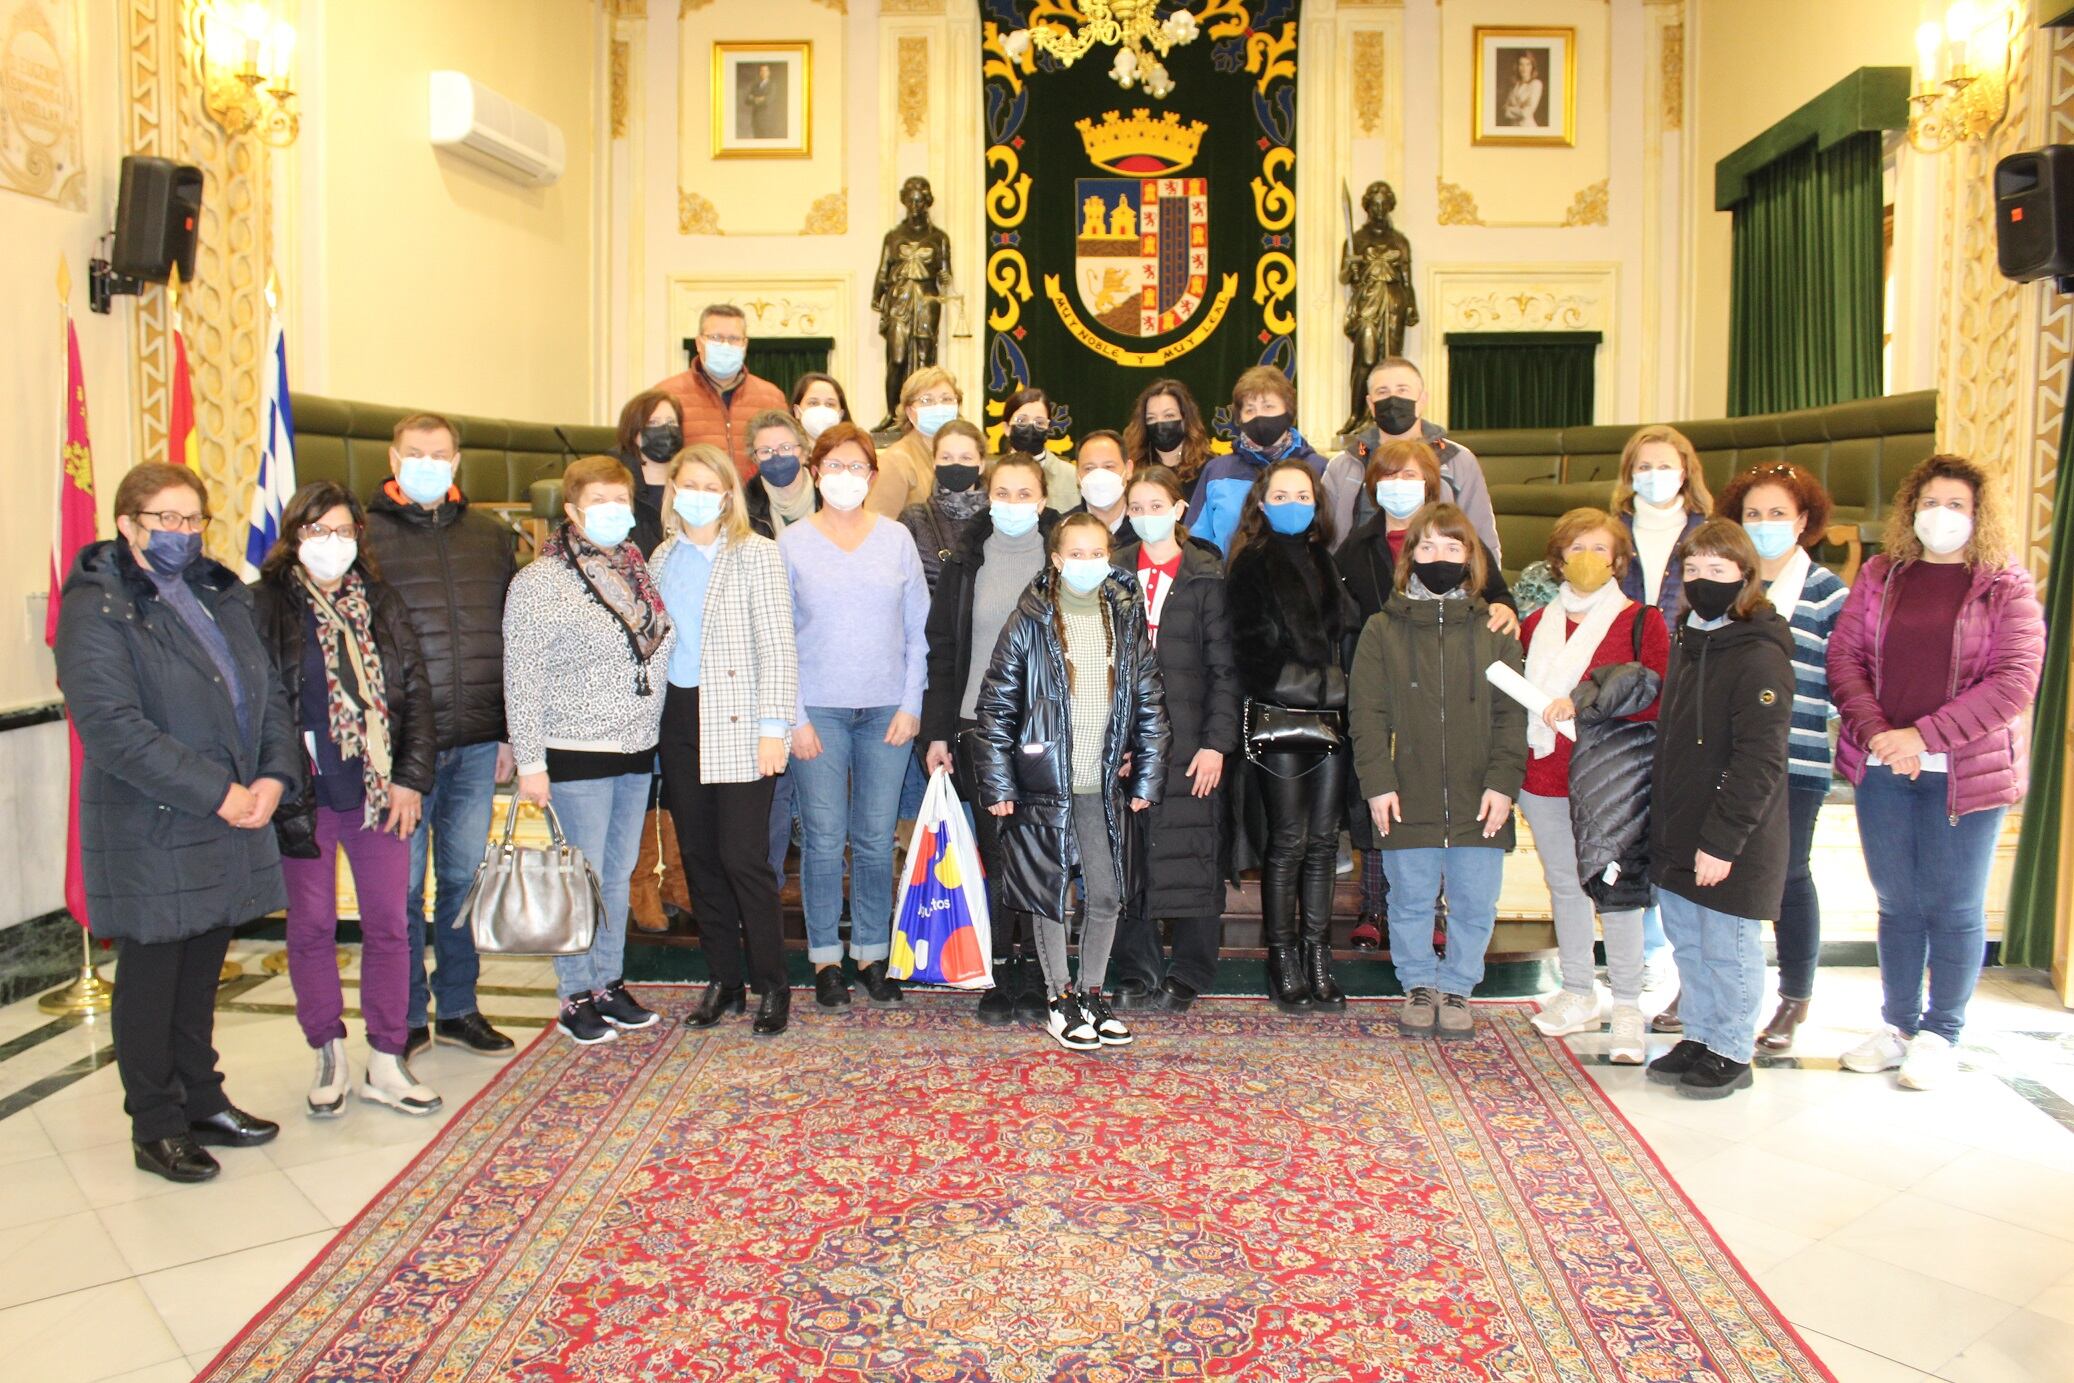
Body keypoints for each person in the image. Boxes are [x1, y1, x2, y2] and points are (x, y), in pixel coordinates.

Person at [56, 463, 297, 1183]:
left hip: (230, 812)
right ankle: (156, 1123)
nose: (181, 533)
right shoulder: (97, 606)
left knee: (200, 973)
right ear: (128, 524)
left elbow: (269, 694)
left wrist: (273, 776)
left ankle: (203, 1098)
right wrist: (216, 790)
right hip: (152, 820)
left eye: (193, 520)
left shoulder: (219, 592)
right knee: (154, 979)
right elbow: (111, 727)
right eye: (165, 519)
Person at [1831, 456, 2044, 1091]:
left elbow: (2013, 683)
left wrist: (1921, 736)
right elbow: (1845, 659)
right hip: (1883, 764)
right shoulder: (1880, 575)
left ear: (1979, 516)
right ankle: (1898, 1026)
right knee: (1897, 903)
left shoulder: (2007, 586)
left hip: (1964, 770)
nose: (1940, 515)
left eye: (1956, 505)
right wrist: (1881, 735)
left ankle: (1941, 1032)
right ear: (1910, 510)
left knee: (1952, 905)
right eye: (1929, 502)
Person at [255, 482, 442, 1117]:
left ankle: (387, 1057)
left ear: (359, 537)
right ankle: (328, 1049)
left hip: (378, 792)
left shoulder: (382, 602)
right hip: (304, 793)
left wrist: (411, 778)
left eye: (342, 531)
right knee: (310, 928)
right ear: (293, 537)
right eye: (316, 532)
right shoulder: (267, 606)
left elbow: (414, 694)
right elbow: (257, 707)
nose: (330, 544)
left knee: (391, 924)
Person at [971, 513, 1170, 1051]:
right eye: (1076, 555)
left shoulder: (1125, 621)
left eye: (1097, 554)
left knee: (1107, 893)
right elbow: (994, 709)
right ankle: (1060, 997)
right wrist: (999, 786)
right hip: (1042, 786)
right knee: (1050, 895)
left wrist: (1147, 776)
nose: (1088, 564)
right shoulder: (1028, 623)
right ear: (1056, 561)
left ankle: (1092, 992)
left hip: (1100, 786)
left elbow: (1150, 703)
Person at [503, 455, 676, 1045]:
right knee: (582, 877)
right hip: (573, 750)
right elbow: (520, 676)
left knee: (619, 873)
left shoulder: (638, 568)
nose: (611, 512)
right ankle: (573, 992)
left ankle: (608, 981)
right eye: (597, 501)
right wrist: (530, 762)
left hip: (634, 748)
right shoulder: (539, 581)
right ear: (572, 510)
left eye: (620, 501)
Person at [362, 413, 516, 1060]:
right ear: (394, 460)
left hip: (479, 738)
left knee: (461, 880)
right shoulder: (364, 537)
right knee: (401, 887)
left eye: (441, 453)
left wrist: (511, 729)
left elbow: (514, 640)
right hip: (402, 751)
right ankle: (402, 1014)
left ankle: (458, 1005)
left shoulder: (492, 537)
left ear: (457, 463)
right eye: (416, 453)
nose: (429, 462)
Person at [1350, 504, 1527, 1042]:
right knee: (1407, 899)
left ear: (1472, 559)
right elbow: (1367, 713)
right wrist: (1378, 782)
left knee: (1476, 900)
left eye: (1453, 548)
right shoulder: (1382, 630)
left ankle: (1458, 987)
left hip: (1481, 795)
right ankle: (1418, 984)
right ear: (1410, 558)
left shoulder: (1496, 631)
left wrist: (1504, 783)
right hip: (1407, 791)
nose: (1440, 557)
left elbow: (1510, 715)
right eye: (1427, 547)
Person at [1337, 437, 1517, 950]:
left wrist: (1506, 610)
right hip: (1382, 673)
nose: (1400, 487)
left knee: (1448, 807)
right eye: (1390, 477)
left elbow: (1497, 594)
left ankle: (1438, 921)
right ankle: (1376, 906)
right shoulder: (1357, 544)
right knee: (1379, 798)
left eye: (1411, 476)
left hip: (1453, 674)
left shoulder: (1464, 541)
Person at [1643, 520, 1795, 1100]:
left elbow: (1760, 758)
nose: (1702, 580)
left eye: (1717, 570)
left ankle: (1732, 1047)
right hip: (1681, 826)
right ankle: (1702, 1035)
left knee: (1727, 947)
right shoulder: (1688, 638)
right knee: (1689, 942)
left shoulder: (1759, 652)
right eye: (1693, 569)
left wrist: (1723, 840)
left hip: (1730, 836)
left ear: (1744, 577)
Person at [653, 445, 801, 1037]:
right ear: (673, 492)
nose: (696, 494)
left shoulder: (757, 554)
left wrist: (775, 728)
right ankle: (724, 979)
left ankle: (772, 983)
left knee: (744, 857)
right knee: (700, 857)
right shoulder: (661, 557)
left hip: (741, 721)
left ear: (726, 494)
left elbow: (779, 646)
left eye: (708, 485)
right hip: (678, 718)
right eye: (685, 484)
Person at [782, 423, 931, 1006]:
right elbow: (781, 639)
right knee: (823, 838)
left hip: (886, 712)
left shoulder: (896, 539)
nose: (847, 477)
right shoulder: (791, 543)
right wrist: (794, 717)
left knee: (873, 839)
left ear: (873, 476)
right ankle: (825, 958)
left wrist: (912, 705)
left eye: (858, 467)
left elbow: (919, 632)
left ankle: (872, 952)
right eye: (835, 466)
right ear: (815, 472)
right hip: (817, 710)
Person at [1517, 510, 1669, 1065]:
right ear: (1558, 557)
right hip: (1544, 774)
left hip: (1612, 779)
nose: (1588, 557)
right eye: (1577, 546)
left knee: (1619, 891)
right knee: (1566, 886)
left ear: (1618, 560)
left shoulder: (1640, 621)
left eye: (1600, 549)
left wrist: (1585, 700)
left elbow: (1655, 694)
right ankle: (1579, 990)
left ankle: (1627, 1002)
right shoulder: (1534, 626)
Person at [1715, 463, 1848, 1054]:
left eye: (1777, 514)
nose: (1764, 525)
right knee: (1718, 874)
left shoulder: (1828, 594)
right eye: (1752, 515)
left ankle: (1795, 996)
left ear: (1803, 521)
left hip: (1795, 761)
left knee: (1789, 876)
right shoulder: (1725, 588)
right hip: (1725, 759)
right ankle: (1710, 986)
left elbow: (1847, 682)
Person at [922, 454, 1058, 1023]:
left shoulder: (1064, 557)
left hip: (1046, 726)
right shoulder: (964, 562)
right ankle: (1004, 970)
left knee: (1041, 851)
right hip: (979, 725)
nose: (1013, 503)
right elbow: (945, 651)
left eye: (1025, 494)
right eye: (1003, 492)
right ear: (987, 497)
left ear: (1044, 501)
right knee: (997, 851)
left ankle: (1046, 975)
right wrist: (937, 732)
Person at [1109, 466, 1239, 1010]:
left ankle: (1190, 970)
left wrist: (1216, 744)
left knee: (1193, 850)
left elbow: (1226, 670)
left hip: (1192, 742)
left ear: (1181, 508)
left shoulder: (1207, 574)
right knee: (1130, 856)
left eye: (1155, 505)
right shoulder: (1111, 574)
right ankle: (1136, 969)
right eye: (1135, 507)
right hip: (1127, 741)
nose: (1144, 516)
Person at [1227, 459, 1355, 1011]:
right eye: (1281, 494)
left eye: (1302, 494)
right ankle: (1281, 958)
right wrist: (1332, 688)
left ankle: (1317, 952)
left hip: (1330, 719)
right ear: (1262, 502)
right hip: (1283, 715)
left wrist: (1343, 691)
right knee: (1288, 843)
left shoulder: (1325, 559)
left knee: (1324, 842)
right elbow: (1252, 654)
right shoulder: (1250, 563)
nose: (1293, 502)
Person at [1615, 425, 1709, 1032]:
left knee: (1680, 821)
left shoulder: (1710, 534)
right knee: (1631, 822)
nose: (1653, 474)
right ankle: (1644, 953)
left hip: (1693, 690)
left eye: (1664, 464)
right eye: (1642, 465)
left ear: (1685, 470)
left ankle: (1683, 959)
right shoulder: (1611, 534)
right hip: (1625, 696)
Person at [1322, 358, 1499, 561]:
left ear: (1422, 400)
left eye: (1402, 390)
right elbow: (1327, 539)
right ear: (1371, 404)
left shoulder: (1458, 460)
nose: (1393, 399)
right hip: (1361, 582)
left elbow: (1482, 535)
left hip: (1439, 583)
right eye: (1383, 392)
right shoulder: (1344, 465)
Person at [1192, 366, 1325, 555]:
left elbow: (1332, 535)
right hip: (1228, 581)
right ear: (1239, 418)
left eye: (1268, 406)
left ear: (1289, 410)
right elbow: (1196, 542)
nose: (1259, 416)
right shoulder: (1216, 471)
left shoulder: (1318, 468)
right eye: (1250, 409)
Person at [653, 303, 788, 481]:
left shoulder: (771, 397)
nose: (725, 345)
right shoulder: (666, 394)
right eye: (716, 337)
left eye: (734, 338)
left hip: (757, 504)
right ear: (699, 343)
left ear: (745, 344)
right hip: (695, 501)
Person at [900, 418, 992, 591]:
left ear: (981, 465)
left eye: (966, 457)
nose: (956, 465)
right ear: (934, 463)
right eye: (946, 457)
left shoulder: (1001, 519)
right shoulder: (913, 520)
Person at [866, 366, 966, 518]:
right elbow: (879, 527)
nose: (938, 407)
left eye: (946, 399)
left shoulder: (965, 453)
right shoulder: (896, 461)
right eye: (927, 400)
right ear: (909, 411)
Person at [611, 389, 682, 556]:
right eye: (653, 423)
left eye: (671, 422)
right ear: (634, 430)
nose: (665, 429)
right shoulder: (614, 479)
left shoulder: (690, 479)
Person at [1123, 377, 1214, 492]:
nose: (1160, 423)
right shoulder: (1132, 467)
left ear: (1185, 418)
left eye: (1169, 416)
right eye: (1151, 418)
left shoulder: (1210, 468)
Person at [1002, 386, 1084, 512]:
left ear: (1048, 428)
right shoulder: (992, 474)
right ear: (1007, 428)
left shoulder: (1072, 476)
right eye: (1021, 421)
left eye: (1039, 423)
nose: (1030, 428)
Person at [744, 409, 818, 539]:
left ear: (804, 453)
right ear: (755, 459)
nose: (776, 457)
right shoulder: (745, 507)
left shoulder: (827, 498)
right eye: (765, 451)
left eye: (785, 448)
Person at [1071, 429, 1133, 537]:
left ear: (1128, 469)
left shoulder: (1145, 526)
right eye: (1089, 468)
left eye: (1108, 466)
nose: (1099, 475)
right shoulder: (1065, 529)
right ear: (1077, 475)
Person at [791, 371, 850, 445]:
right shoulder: (784, 453)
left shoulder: (854, 452)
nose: (822, 409)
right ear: (797, 411)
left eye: (830, 404)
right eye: (813, 403)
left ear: (840, 415)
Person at [1501, 51, 1546, 126]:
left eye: (1528, 64)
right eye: (1521, 64)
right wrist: (1520, 108)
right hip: (1513, 128)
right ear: (1517, 66)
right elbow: (1504, 111)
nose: (1524, 68)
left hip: (1528, 128)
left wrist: (1511, 109)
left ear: (1532, 66)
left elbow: (1526, 113)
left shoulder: (1536, 84)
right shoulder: (1514, 85)